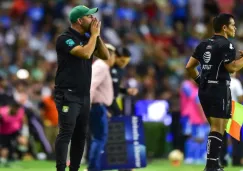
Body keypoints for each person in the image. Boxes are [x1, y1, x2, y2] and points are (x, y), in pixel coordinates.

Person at [54, 5, 110, 171]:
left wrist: (96, 36)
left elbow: (105, 56)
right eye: (89, 16)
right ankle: (61, 169)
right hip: (67, 93)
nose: (93, 19)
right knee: (66, 133)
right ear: (79, 20)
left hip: (84, 95)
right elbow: (85, 53)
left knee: (80, 136)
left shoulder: (88, 38)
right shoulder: (65, 38)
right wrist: (93, 35)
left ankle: (75, 169)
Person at [185, 13, 243, 171]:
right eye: (232, 25)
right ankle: (211, 165)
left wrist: (199, 81)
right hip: (219, 88)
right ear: (224, 28)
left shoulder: (203, 44)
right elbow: (231, 68)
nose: (235, 28)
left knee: (217, 127)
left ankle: (214, 163)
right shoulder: (227, 45)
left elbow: (189, 67)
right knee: (218, 127)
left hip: (204, 90)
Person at [87, 44, 116, 171]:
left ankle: (93, 167)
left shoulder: (100, 66)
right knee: (99, 138)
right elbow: (91, 86)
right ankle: (93, 168)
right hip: (96, 107)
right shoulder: (101, 66)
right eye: (114, 55)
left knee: (98, 138)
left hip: (99, 107)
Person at [108, 47, 138, 116]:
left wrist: (126, 91)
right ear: (116, 57)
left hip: (112, 99)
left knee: (119, 116)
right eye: (122, 61)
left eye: (126, 62)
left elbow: (115, 87)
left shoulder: (121, 70)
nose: (124, 64)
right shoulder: (107, 66)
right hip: (102, 100)